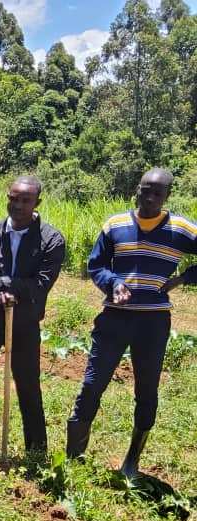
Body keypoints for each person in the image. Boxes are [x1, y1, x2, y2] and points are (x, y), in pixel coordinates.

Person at [66, 168, 197, 477]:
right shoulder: (116, 224)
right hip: (114, 317)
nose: (149, 197)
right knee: (92, 383)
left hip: (153, 322)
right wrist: (112, 283)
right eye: (145, 190)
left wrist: (183, 279)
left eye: (157, 193)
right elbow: (96, 265)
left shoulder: (181, 228)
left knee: (147, 390)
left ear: (167, 196)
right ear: (137, 189)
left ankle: (131, 463)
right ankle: (73, 459)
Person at [0, 176, 65, 453]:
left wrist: (3, 285)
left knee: (28, 386)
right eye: (13, 198)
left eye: (25, 200)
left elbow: (41, 282)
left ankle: (36, 450)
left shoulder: (51, 239)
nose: (18, 205)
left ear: (37, 202)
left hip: (24, 323)